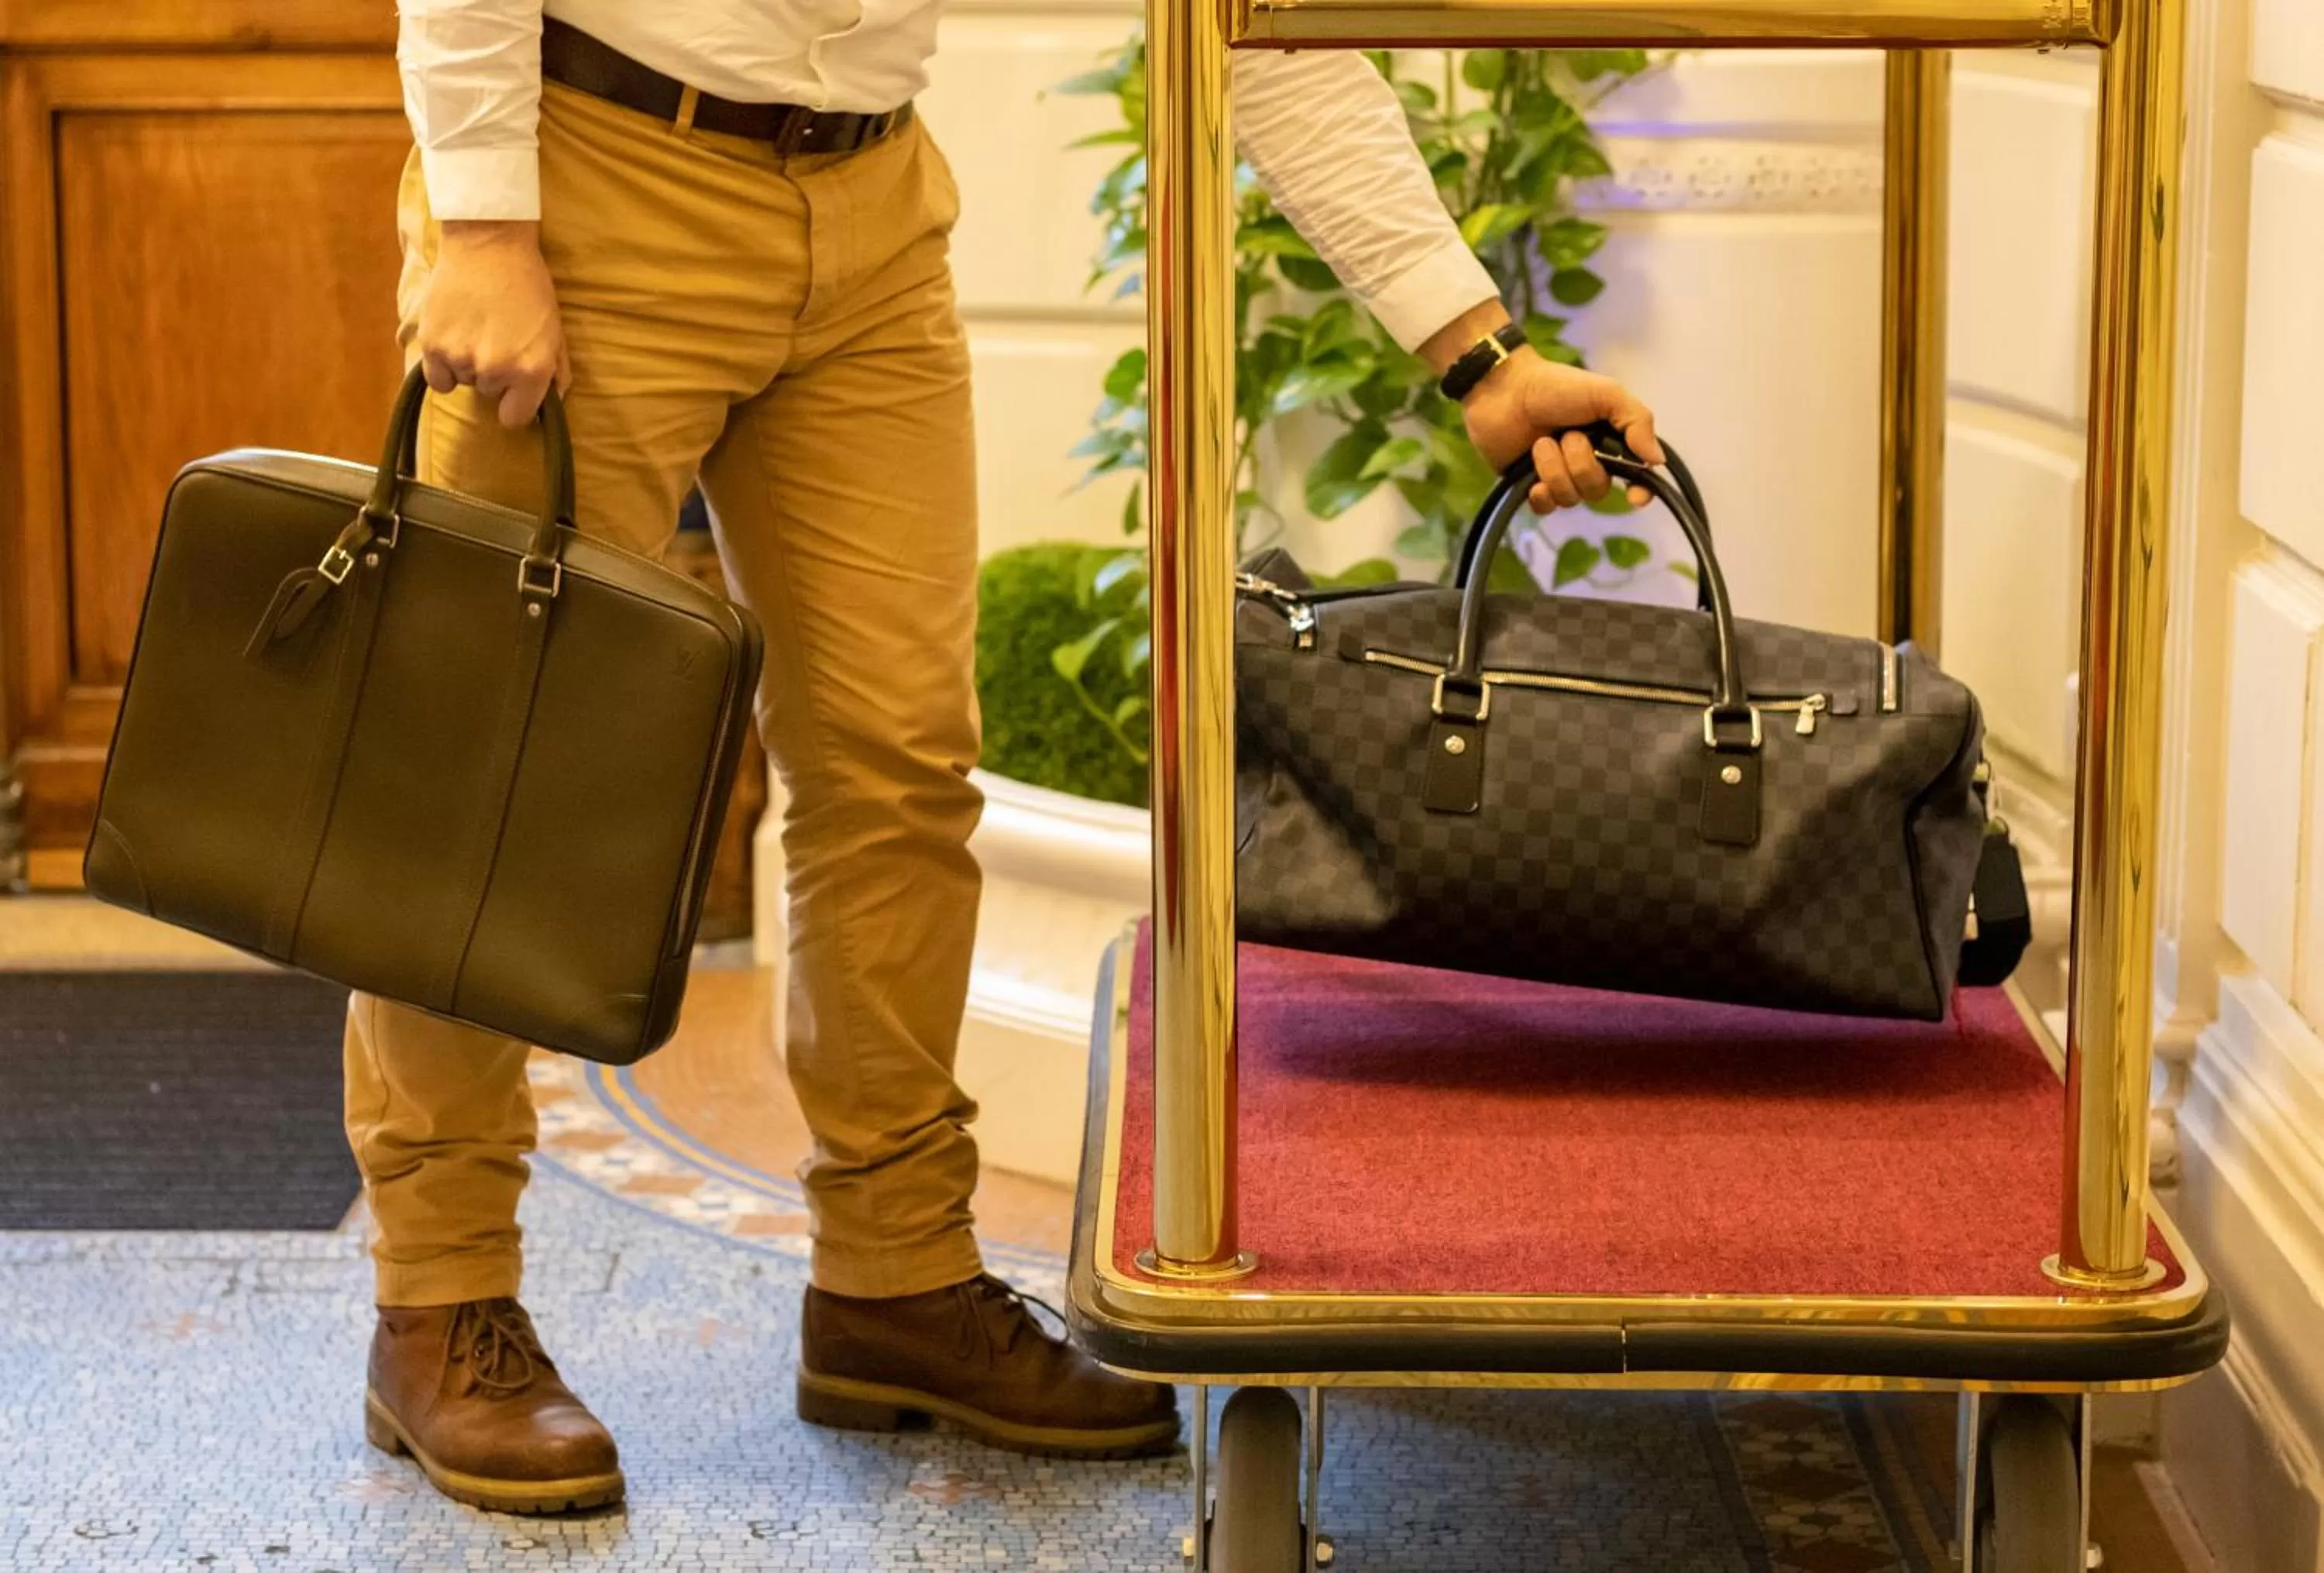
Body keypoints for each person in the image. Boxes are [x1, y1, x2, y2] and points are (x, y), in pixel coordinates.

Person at [359, 0, 1664, 1516]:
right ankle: (438, 1297)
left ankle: (893, 1279)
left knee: (897, 771)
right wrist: (483, 216)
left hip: (870, 209)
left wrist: (1479, 352)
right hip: (594, 171)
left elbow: (1260, 29)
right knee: (484, 773)